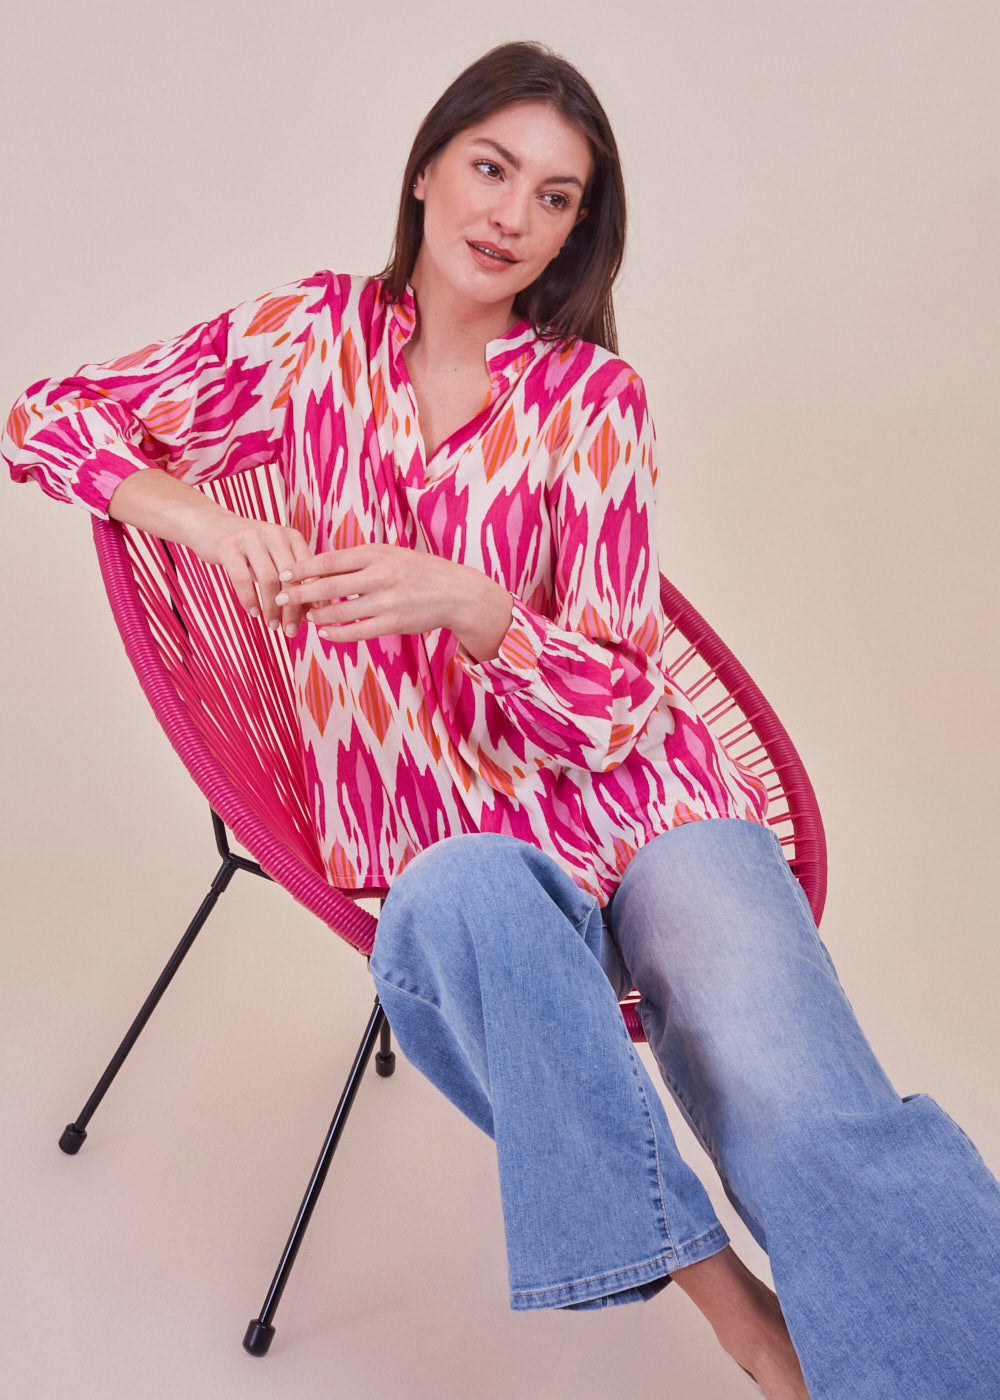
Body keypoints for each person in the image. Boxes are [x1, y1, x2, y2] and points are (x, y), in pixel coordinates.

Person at [4, 38, 999, 1400]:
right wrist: (201, 516)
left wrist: (478, 610)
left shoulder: (595, 403)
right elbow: (45, 419)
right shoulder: (306, 340)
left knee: (801, 1102)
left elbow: (623, 704)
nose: (511, 215)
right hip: (450, 841)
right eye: (490, 168)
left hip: (651, 815)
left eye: (554, 197)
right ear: (425, 171)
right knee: (459, 902)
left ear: (577, 231)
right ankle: (747, 1324)